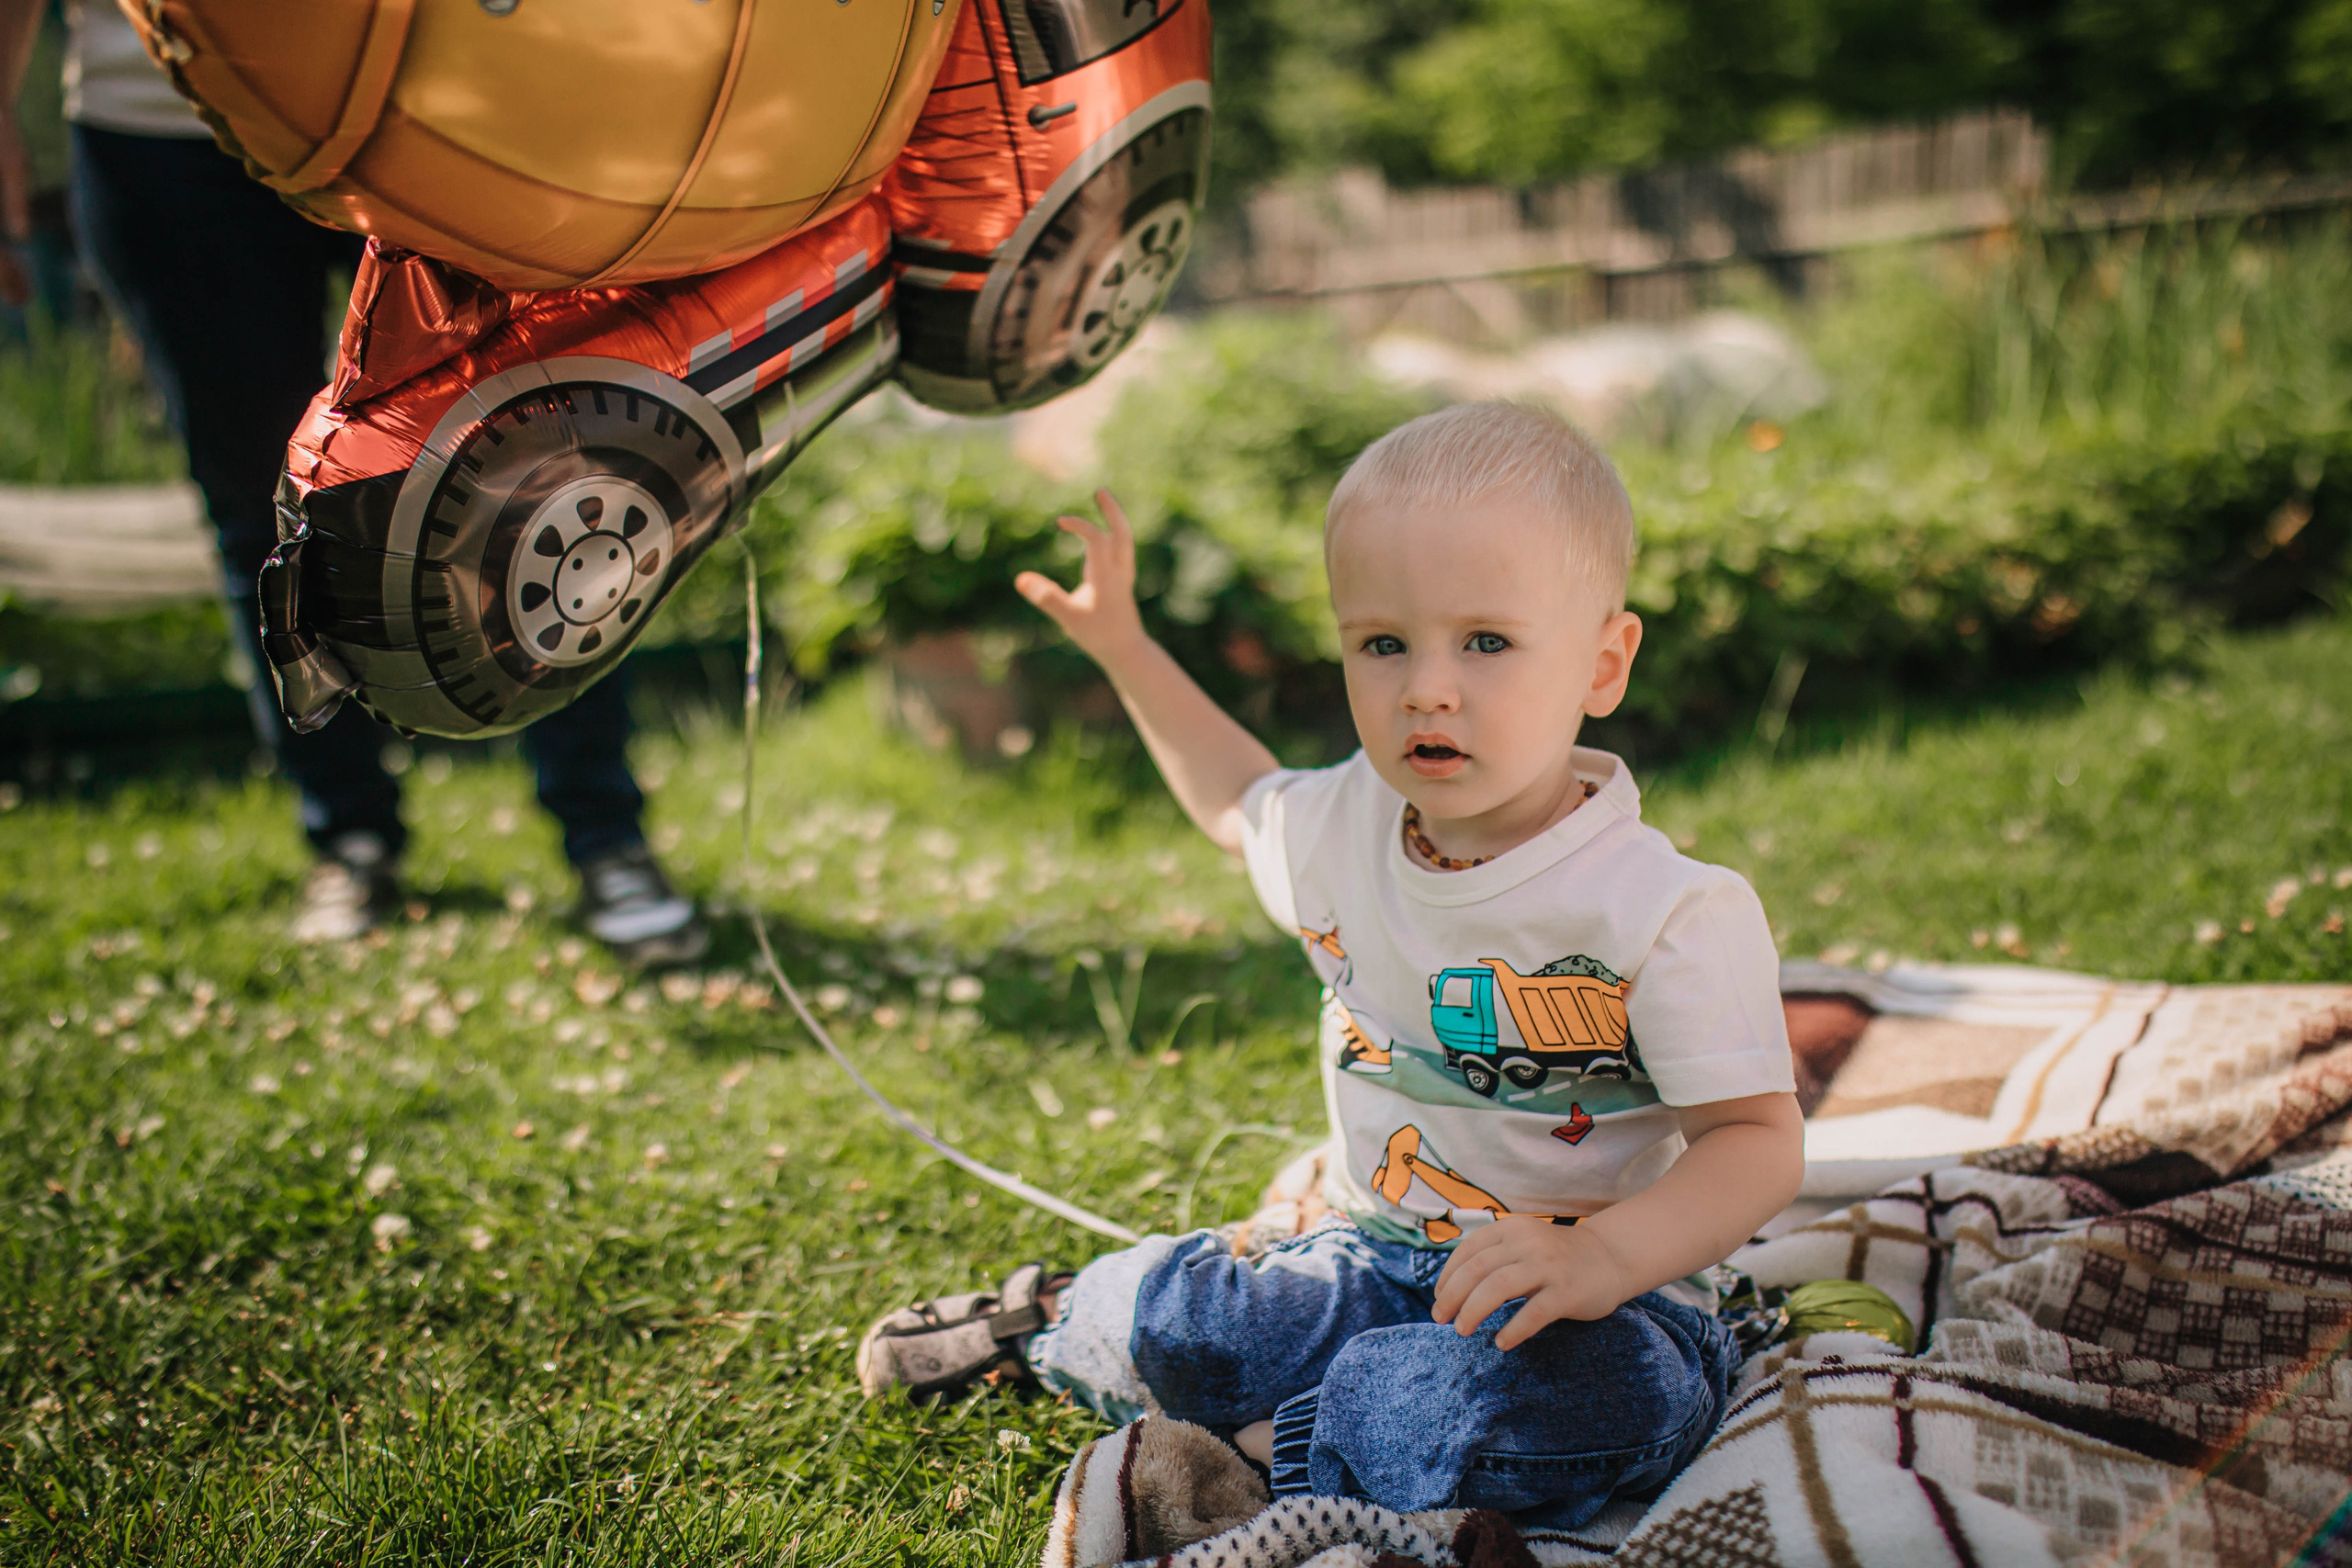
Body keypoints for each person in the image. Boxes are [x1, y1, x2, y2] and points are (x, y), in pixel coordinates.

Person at [857, 402, 1804, 1528]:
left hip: (1599, 1310)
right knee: (1199, 1320)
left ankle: (1272, 1452)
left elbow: (1754, 1142)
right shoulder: (1343, 826)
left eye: (1486, 642)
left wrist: (1605, 1255)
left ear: (1602, 664)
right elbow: (1232, 798)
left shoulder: (1666, 910)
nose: (1427, 688)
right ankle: (1063, 1325)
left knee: (1565, 1403)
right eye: (1383, 643)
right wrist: (1124, 647)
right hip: (1372, 1258)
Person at [0, 0, 706, 960]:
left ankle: (605, 832)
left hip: (438, 94)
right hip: (167, 127)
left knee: (539, 468)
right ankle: (349, 834)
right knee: (262, 509)